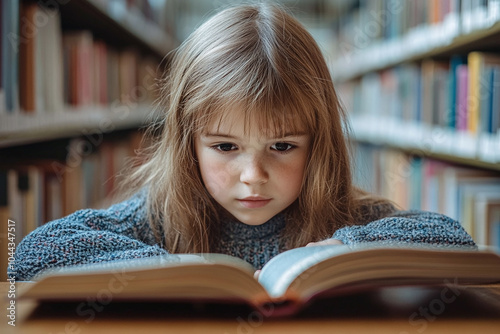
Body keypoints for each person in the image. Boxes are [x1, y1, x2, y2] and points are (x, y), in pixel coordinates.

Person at [12, 3, 474, 281]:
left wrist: (347, 247)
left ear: (320, 145)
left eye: (283, 146)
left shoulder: (344, 217)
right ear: (187, 144)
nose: (253, 177)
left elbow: (454, 243)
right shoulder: (158, 216)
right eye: (226, 147)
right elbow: (34, 252)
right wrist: (173, 271)